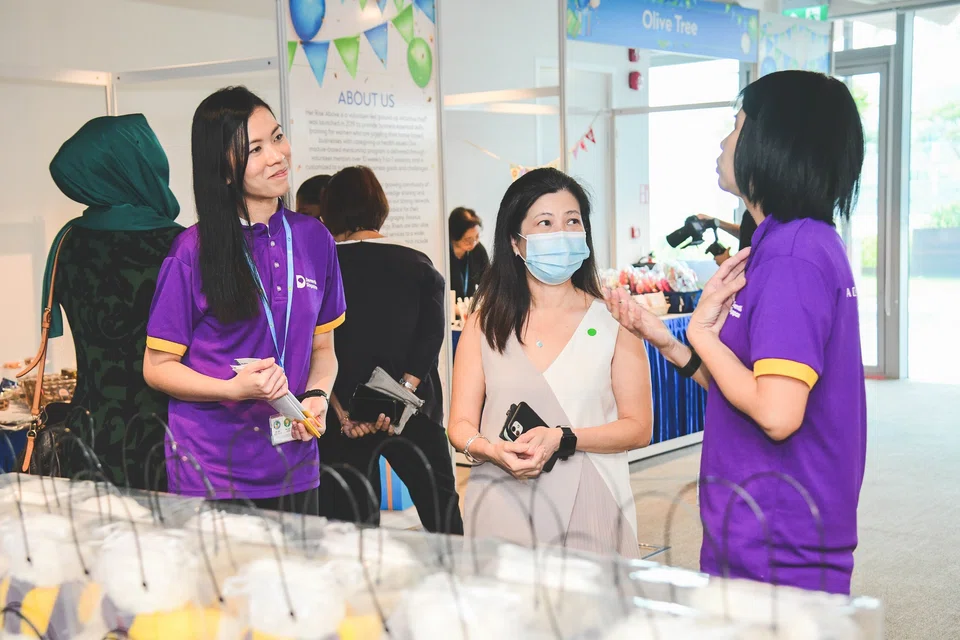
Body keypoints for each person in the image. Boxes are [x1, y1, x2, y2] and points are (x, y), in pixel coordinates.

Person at [605, 70, 866, 594]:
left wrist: (702, 334)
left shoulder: (794, 256)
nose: (725, 141)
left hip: (779, 540)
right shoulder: (778, 247)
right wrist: (669, 339)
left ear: (773, 142)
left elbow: (775, 413)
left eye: (737, 125)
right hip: (755, 528)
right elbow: (743, 388)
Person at [143, 86, 346, 515]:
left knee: (292, 579)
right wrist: (232, 389)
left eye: (276, 137)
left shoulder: (314, 239)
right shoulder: (191, 251)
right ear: (226, 169)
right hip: (211, 468)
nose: (277, 155)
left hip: (294, 461)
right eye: (255, 149)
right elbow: (157, 368)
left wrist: (317, 396)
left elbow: (323, 349)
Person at [448, 168, 652, 556]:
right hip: (501, 500)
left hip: (592, 499)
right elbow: (459, 425)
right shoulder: (485, 321)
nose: (562, 233)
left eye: (572, 221)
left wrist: (565, 437)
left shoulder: (614, 320)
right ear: (515, 241)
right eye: (545, 222)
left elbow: (639, 427)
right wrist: (490, 450)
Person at [38, 114, 183, 489]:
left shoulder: (68, 242)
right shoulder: (182, 245)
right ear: (140, 165)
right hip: (169, 432)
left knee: (99, 540)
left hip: (89, 428)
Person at [315, 166, 462, 534]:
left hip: (343, 420)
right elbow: (430, 341)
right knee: (441, 512)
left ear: (329, 212)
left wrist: (344, 413)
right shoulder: (418, 265)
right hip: (414, 411)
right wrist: (397, 400)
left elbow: (314, 346)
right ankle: (455, 583)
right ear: (380, 206)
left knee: (350, 521)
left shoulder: (322, 268)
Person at [448, 207, 490, 300]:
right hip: (448, 309)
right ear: (454, 236)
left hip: (471, 308)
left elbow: (489, 282)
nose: (473, 243)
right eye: (468, 239)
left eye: (477, 237)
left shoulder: (478, 250)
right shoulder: (443, 254)